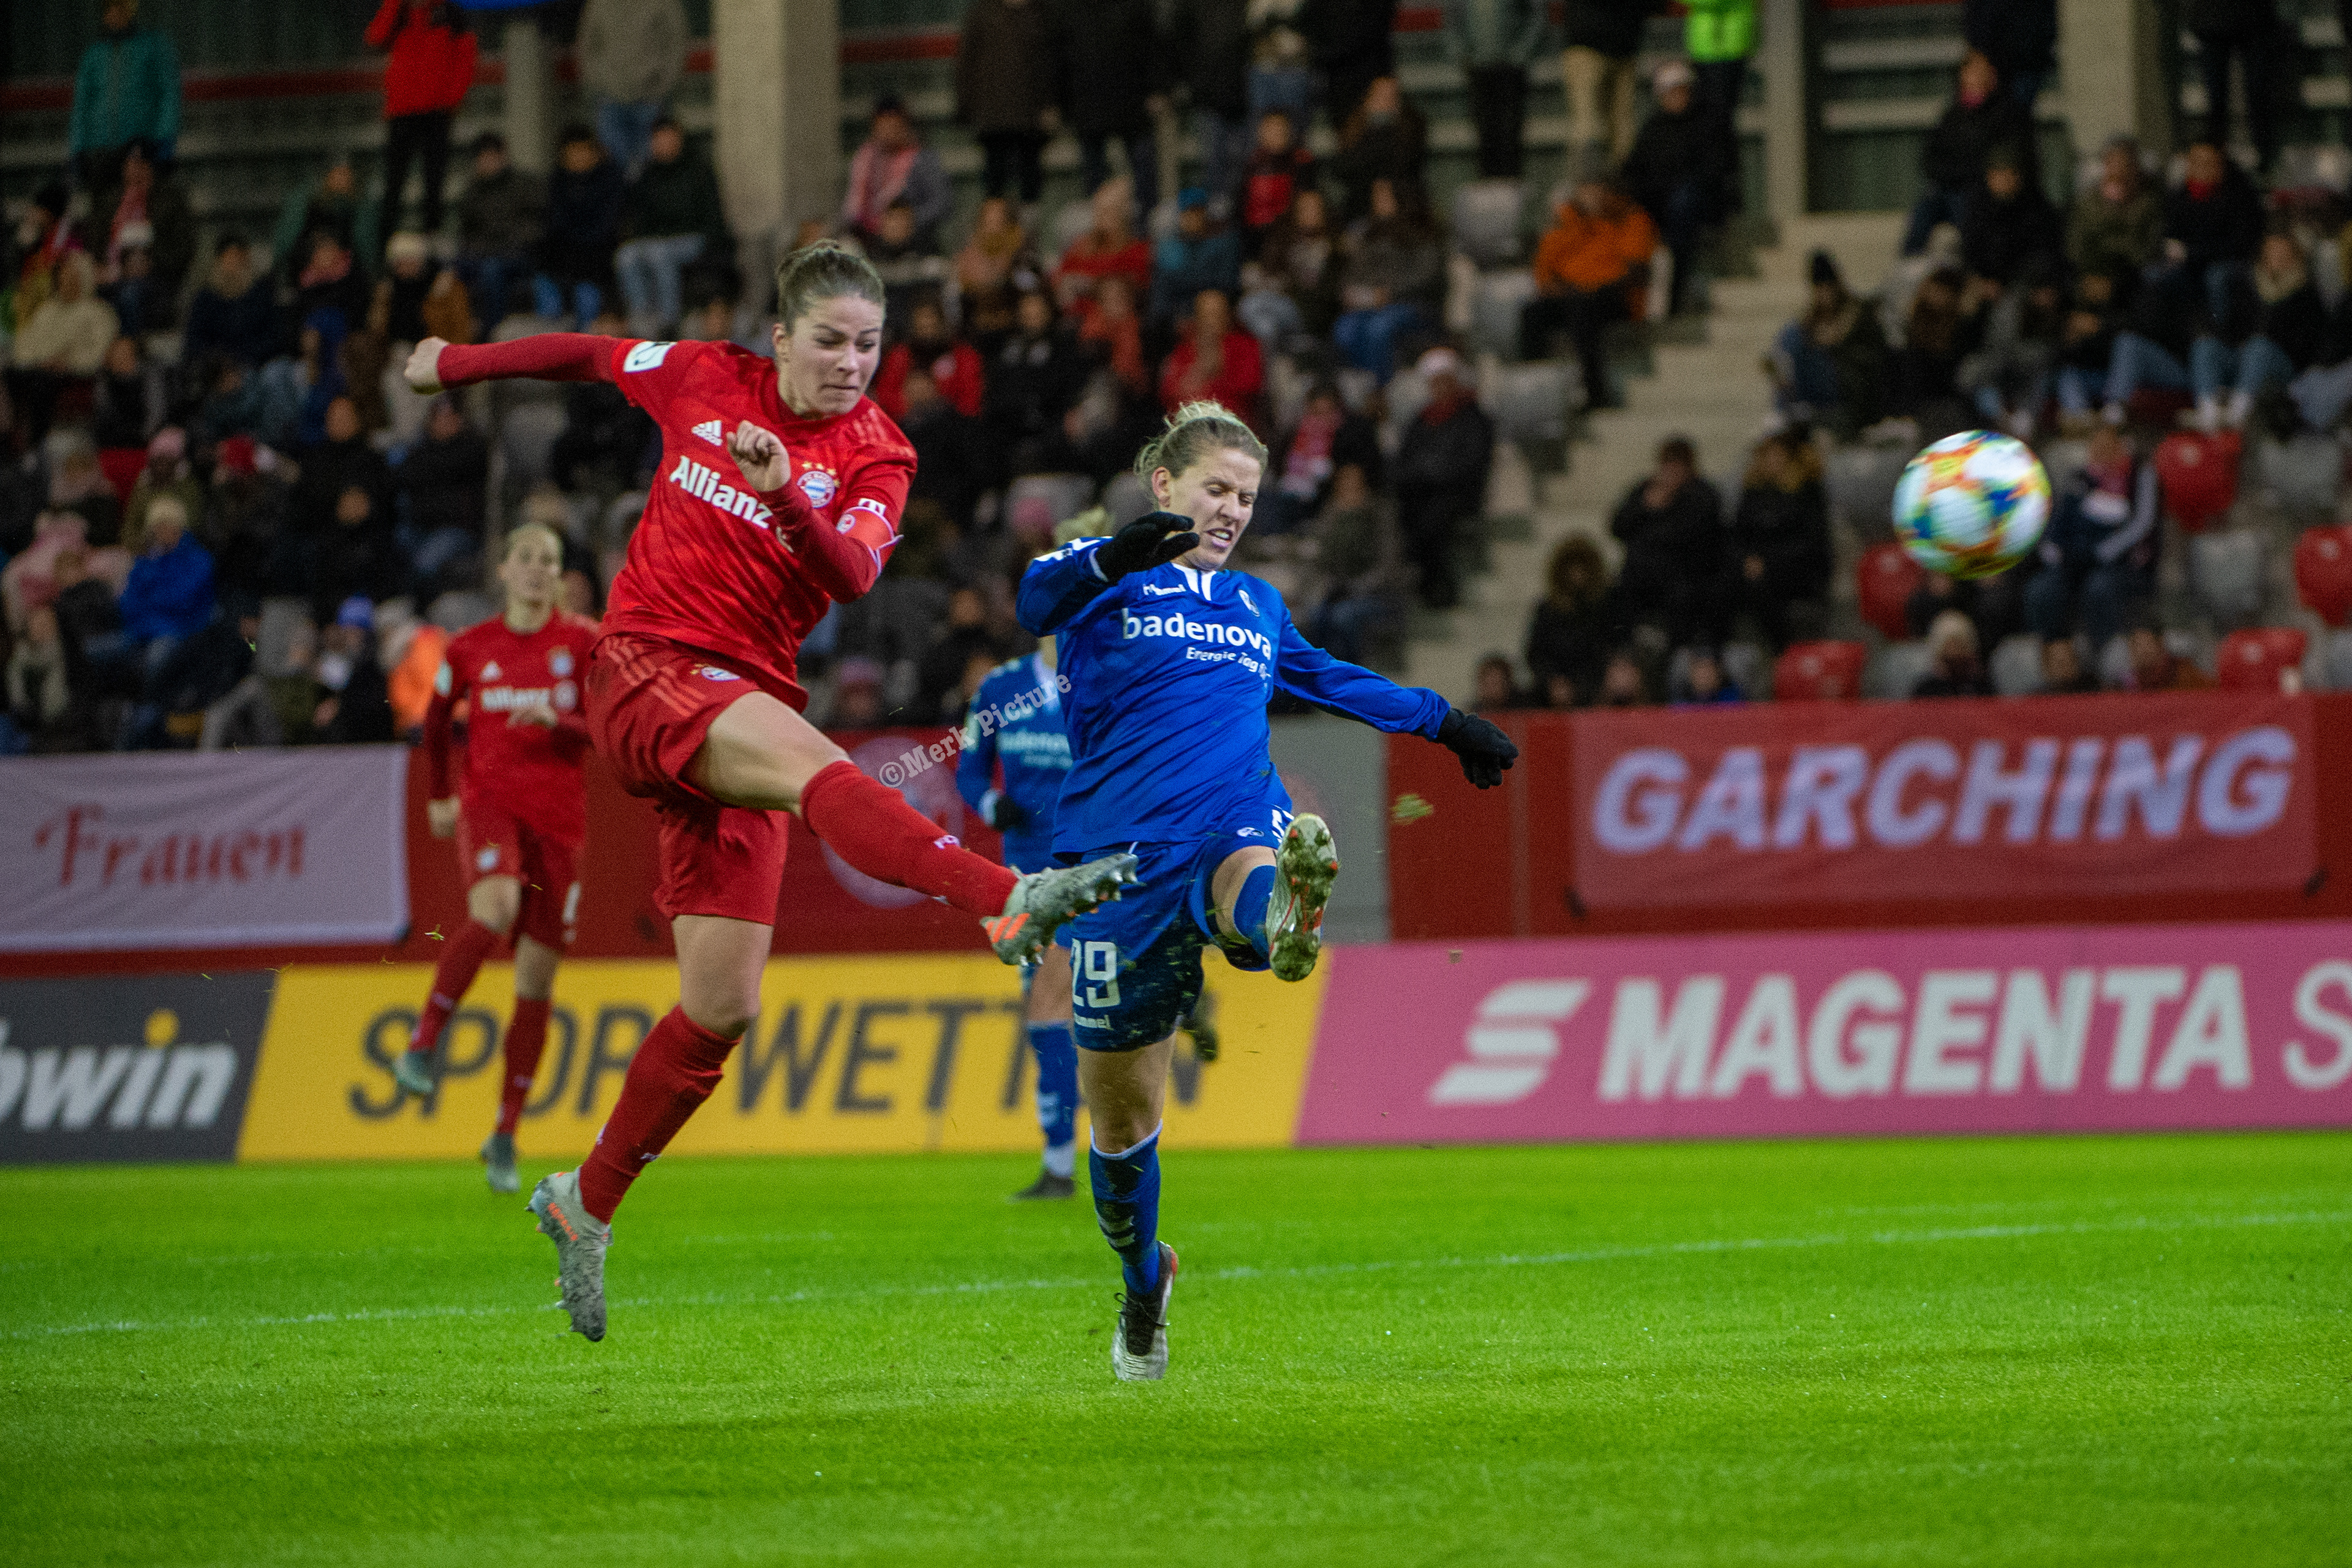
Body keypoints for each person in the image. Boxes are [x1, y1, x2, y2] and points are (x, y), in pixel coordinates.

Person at [403, 242, 1139, 1341]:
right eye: (831, 341)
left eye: (869, 346)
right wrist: (453, 363)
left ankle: (584, 1202)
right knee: (817, 769)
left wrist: (786, 494)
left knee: (722, 1007)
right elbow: (589, 354)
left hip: (736, 704)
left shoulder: (879, 452)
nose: (851, 363)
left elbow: (853, 573)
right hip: (645, 666)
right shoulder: (703, 373)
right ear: (782, 337)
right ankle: (1004, 899)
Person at [1014, 400, 1518, 1378]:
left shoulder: (1255, 606)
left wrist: (1446, 722)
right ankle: (1144, 1279)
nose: (1233, 511)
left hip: (1233, 822)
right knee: (1119, 1131)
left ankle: (1280, 914)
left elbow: (1332, 679)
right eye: (1217, 489)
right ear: (1166, 485)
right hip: (1116, 866)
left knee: (1250, 867)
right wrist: (1114, 557)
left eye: (1247, 497)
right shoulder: (1100, 580)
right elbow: (1035, 603)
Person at [392, 524, 598, 1192]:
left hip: (560, 826)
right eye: (527, 559)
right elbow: (435, 720)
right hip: (489, 806)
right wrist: (440, 794)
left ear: (560, 576)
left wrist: (560, 722)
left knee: (535, 982)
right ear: (504, 570)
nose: (538, 570)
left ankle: (505, 1133)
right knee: (496, 907)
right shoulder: (470, 646)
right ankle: (424, 1040)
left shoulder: (584, 643)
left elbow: (608, 727)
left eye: (550, 561)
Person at [952, 643, 1090, 1197]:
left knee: (1048, 1007)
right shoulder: (1000, 688)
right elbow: (969, 770)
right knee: (1047, 1010)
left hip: (1088, 869)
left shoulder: (1100, 677)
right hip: (1024, 880)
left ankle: (1061, 1165)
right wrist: (991, 805)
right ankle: (1059, 1162)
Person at [1521, 178, 1657, 410]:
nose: (1595, 201)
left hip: (1613, 298)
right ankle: (1535, 390)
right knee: (1532, 313)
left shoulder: (1629, 222)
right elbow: (1546, 272)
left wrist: (1589, 288)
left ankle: (1595, 391)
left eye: (1599, 195)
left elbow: (1635, 271)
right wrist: (1573, 221)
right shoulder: (1566, 223)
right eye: (1587, 195)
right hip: (1571, 294)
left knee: (1583, 309)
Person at [2022, 423, 2157, 648]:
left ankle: (2105, 651)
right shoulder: (2081, 478)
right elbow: (2060, 520)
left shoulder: (2140, 475)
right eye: (2096, 446)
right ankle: (2050, 651)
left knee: (2099, 589)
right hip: (2076, 559)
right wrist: (2055, 550)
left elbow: (2143, 522)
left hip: (2122, 563)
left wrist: (2103, 553)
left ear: (2120, 446)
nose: (2100, 452)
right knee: (2041, 590)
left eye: (2107, 445)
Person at [365, 1, 476, 247]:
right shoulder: (399, 12)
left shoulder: (450, 14)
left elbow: (466, 56)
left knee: (434, 183)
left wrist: (451, 99)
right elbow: (375, 38)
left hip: (436, 110)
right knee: (394, 182)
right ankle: (385, 246)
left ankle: (431, 245)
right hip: (402, 110)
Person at [1902, 51, 2034, 257]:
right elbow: (1930, 158)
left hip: (1979, 192)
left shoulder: (2006, 115)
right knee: (1924, 210)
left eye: (1983, 72)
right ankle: (1910, 264)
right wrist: (1952, 173)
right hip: (1948, 187)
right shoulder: (1952, 116)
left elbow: (1997, 162)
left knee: (1968, 210)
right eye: (1972, 72)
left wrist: (1964, 172)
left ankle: (1973, 262)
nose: (1977, 78)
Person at [1620, 60, 1725, 317]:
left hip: (1693, 203)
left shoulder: (1706, 125)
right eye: (1671, 92)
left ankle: (1675, 296)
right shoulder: (1653, 129)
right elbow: (1633, 169)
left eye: (1681, 90)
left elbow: (1712, 171)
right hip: (1658, 203)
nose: (1677, 96)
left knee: (1683, 204)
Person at [2192, 232, 2324, 434]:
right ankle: (2208, 411)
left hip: (2281, 366)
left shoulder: (2306, 294)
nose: (2276, 257)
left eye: (2282, 253)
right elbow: (2230, 328)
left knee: (2259, 348)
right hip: (2242, 358)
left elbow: (2307, 345)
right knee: (2205, 346)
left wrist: (2264, 342)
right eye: (2272, 252)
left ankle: (2239, 415)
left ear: (2294, 257)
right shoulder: (2249, 285)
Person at [1392, 347, 1493, 610]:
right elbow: (1404, 461)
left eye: (1446, 381)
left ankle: (1439, 585)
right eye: (1435, 383)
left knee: (1433, 521)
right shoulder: (1421, 420)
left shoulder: (1473, 417)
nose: (1440, 388)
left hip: (1457, 493)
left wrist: (1432, 474)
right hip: (1421, 492)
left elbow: (1472, 463)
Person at [616, 118, 728, 338]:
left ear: (679, 139)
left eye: (669, 138)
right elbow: (639, 216)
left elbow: (712, 215)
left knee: (660, 253)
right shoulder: (646, 174)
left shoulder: (699, 170)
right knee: (626, 256)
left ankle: (669, 321)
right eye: (659, 139)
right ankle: (642, 319)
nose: (664, 144)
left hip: (692, 238)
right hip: (654, 239)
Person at [1053, 0, 1164, 217]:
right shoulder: (1072, 9)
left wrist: (1157, 88)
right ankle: (1101, 229)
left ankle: (1146, 225)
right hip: (1089, 103)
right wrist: (1061, 102)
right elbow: (1060, 56)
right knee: (1094, 180)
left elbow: (1152, 47)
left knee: (1144, 174)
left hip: (1132, 102)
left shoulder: (1137, 7)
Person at [1723, 428, 1830, 650]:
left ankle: (1781, 651)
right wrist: (1746, 560)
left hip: (1797, 567)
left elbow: (1812, 542)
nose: (1771, 461)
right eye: (1767, 455)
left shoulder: (1807, 492)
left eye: (1777, 455)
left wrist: (1768, 562)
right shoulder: (1753, 492)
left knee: (1764, 586)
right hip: (1756, 566)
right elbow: (1738, 535)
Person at [1609, 435, 1722, 644]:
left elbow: (1688, 535)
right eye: (1667, 464)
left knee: (1683, 596)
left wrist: (1660, 511)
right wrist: (1644, 507)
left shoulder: (1702, 494)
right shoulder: (1646, 490)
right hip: (1641, 573)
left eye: (1678, 465)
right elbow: (1618, 527)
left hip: (1684, 574)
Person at [1768, 251, 1887, 437]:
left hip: (1849, 402)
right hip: (1812, 401)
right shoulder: (1807, 325)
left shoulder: (1860, 318)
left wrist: (1837, 345)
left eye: (1827, 287)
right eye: (1819, 288)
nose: (1824, 294)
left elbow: (1871, 367)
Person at [957, 0, 1060, 208]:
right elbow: (967, 62)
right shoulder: (982, 13)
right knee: (995, 180)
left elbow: (1051, 62)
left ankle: (1029, 223)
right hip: (993, 115)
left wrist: (1050, 104)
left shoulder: (1041, 13)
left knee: (1030, 178)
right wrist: (967, 106)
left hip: (1030, 115)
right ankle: (995, 223)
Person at [70, 0, 181, 189]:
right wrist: (78, 150)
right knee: (104, 203)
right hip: (100, 150)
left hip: (142, 149)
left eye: (120, 10)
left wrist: (164, 141)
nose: (114, 16)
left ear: (131, 12)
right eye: (109, 10)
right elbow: (81, 106)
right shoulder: (93, 55)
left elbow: (169, 95)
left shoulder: (153, 47)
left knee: (141, 203)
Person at [578, 0, 688, 178]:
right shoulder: (599, 3)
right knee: (612, 169)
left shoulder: (665, 3)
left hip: (650, 97)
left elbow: (676, 42)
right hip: (610, 97)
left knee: (650, 170)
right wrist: (598, 82)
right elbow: (588, 43)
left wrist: (662, 84)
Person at [1442, 0, 1549, 180]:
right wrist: (1462, 55)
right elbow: (1451, 22)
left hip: (1511, 70)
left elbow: (1537, 18)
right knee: (1484, 129)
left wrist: (1521, 53)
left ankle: (1511, 182)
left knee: (1510, 129)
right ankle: (1488, 182)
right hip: (1478, 69)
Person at [454, 132, 547, 336]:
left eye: (492, 157)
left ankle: (493, 333)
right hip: (483, 253)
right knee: (451, 270)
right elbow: (467, 234)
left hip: (519, 255)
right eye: (482, 158)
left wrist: (504, 245)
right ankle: (460, 335)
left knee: (491, 270)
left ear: (503, 156)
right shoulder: (472, 192)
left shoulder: (524, 185)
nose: (487, 163)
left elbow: (535, 228)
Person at [1169, 0, 1256, 208]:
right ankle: (1216, 215)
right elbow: (1179, 44)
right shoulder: (1191, 7)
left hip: (1243, 96)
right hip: (1208, 99)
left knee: (1247, 163)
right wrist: (1195, 83)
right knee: (1214, 164)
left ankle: (1242, 211)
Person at [538, 127, 627, 327]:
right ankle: (550, 334)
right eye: (573, 152)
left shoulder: (610, 179)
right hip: (564, 255)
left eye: (583, 151)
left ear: (594, 153)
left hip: (598, 256)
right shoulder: (557, 182)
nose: (578, 158)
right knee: (544, 277)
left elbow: (608, 225)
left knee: (586, 291)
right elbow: (555, 224)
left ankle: (585, 333)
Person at [842, 98, 955, 250]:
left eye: (893, 126)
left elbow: (942, 203)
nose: (888, 132)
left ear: (904, 126)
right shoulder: (865, 158)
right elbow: (853, 205)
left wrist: (909, 220)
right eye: (882, 126)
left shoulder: (922, 159)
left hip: (914, 244)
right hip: (871, 240)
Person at [2187, 0, 2283, 176]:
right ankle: (2215, 165)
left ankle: (2265, 161)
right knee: (2217, 100)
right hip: (2215, 17)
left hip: (2250, 17)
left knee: (2257, 93)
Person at [1561, 0, 1655, 167]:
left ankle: (1620, 179)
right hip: (1588, 44)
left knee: (1622, 128)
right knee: (1590, 127)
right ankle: (1589, 179)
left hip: (1623, 46)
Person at [1683, 0, 1755, 213]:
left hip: (1730, 45)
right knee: (1709, 125)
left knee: (1720, 125)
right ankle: (1715, 194)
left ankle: (1725, 193)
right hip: (1704, 47)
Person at [1523, 535, 1611, 703]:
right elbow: (1535, 654)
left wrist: (1582, 686)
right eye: (1572, 568)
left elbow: (1605, 652)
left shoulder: (1603, 609)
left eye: (1582, 568)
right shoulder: (1547, 610)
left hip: (1593, 691)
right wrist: (1553, 681)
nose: (1577, 574)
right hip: (1550, 694)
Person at [1329, 75, 1427, 221]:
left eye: (1391, 96)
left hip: (1403, 210)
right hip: (1360, 208)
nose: (1386, 102)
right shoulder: (1353, 129)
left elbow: (1404, 165)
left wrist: (1383, 129)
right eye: (1381, 96)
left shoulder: (1410, 129)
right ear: (1368, 99)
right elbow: (1342, 169)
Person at [2068, 135, 2162, 284]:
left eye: (2125, 165)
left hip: (2133, 274)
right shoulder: (2088, 203)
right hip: (2094, 273)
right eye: (2112, 164)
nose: (2118, 172)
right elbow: (2076, 247)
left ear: (2136, 168)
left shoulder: (2150, 203)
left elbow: (2148, 249)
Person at [1159, 289, 1265, 420]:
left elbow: (1250, 389)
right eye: (1205, 316)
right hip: (1192, 423)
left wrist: (1218, 367)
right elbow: (1169, 395)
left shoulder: (1246, 347)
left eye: (1216, 315)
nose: (1210, 322)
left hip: (1234, 423)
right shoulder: (1185, 350)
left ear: (1227, 317)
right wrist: (1199, 371)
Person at [1152, 189, 1243, 330]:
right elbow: (1162, 288)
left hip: (1211, 306)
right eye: (1187, 213)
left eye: (1197, 212)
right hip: (1179, 309)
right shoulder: (1170, 247)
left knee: (1212, 303)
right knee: (1157, 318)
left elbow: (1227, 284)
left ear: (1205, 213)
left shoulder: (1224, 242)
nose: (1193, 218)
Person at [1303, 0, 1400, 134]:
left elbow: (1376, 26)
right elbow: (1310, 21)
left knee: (1378, 131)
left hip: (1372, 71)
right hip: (1337, 76)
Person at [1912, 609, 1992, 698]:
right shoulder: (1926, 691)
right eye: (1949, 645)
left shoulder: (1982, 688)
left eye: (1959, 644)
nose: (1954, 652)